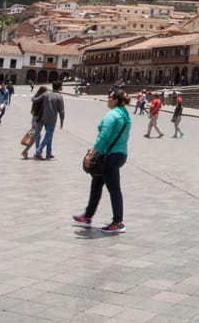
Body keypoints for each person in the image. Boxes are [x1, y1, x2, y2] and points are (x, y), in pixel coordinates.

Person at [73, 89, 132, 234]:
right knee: (96, 184)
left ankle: (118, 222)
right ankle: (88, 215)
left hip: (110, 156)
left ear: (116, 100)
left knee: (114, 189)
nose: (108, 99)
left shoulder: (112, 115)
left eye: (110, 97)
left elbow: (104, 136)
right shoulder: (125, 114)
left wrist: (91, 153)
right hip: (120, 153)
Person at [35, 80, 66, 159]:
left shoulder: (46, 94)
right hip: (52, 119)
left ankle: (49, 153)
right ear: (59, 87)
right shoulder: (59, 97)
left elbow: (36, 100)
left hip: (43, 117)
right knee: (48, 136)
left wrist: (32, 97)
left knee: (50, 136)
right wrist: (62, 121)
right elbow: (62, 111)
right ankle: (38, 151)